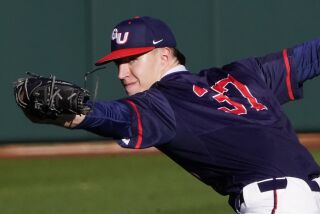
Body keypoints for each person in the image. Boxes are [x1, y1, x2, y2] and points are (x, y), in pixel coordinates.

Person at [31, 16, 320, 213]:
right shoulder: (244, 73)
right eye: (118, 63)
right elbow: (310, 57)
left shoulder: (160, 102)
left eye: (132, 60)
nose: (122, 73)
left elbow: (116, 117)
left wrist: (80, 114)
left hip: (279, 203)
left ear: (165, 55)